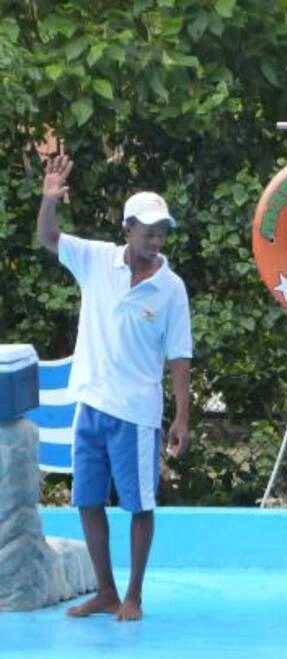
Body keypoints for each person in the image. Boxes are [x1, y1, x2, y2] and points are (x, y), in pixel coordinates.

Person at [36, 154, 192, 621]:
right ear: (127, 228)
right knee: (86, 499)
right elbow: (48, 238)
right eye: (148, 231)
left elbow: (180, 356)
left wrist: (183, 416)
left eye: (162, 232)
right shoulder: (96, 260)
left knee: (139, 504)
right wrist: (49, 200)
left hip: (137, 413)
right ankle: (105, 591)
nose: (156, 239)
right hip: (90, 404)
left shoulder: (171, 287)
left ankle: (134, 595)